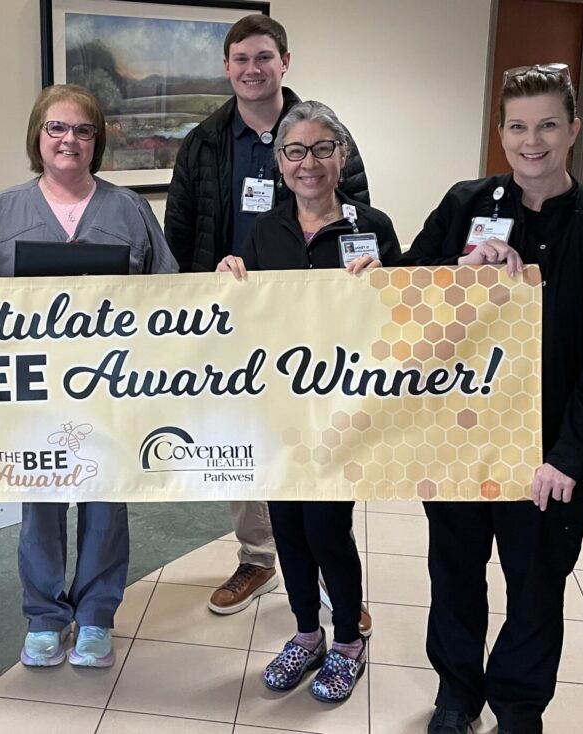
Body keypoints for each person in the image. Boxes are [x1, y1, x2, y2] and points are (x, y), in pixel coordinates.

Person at [399, 64, 583, 734]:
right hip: (462, 443)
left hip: (548, 459)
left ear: (571, 128)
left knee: (535, 591)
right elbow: (407, 294)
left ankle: (517, 708)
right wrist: (457, 274)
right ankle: (457, 696)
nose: (530, 140)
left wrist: (565, 459)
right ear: (501, 132)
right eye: (516, 126)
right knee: (454, 577)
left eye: (545, 125)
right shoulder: (465, 206)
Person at [164, 13, 373, 624]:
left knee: (324, 452)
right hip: (235, 321)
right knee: (243, 439)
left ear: (285, 62)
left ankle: (339, 586)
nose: (252, 70)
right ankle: (257, 556)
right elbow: (180, 228)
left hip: (319, 329)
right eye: (240, 60)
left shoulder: (323, 130)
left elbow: (357, 211)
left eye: (263, 58)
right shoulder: (204, 140)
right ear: (226, 68)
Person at [0, 84, 178, 668]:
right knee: (41, 503)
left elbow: (168, 290)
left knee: (107, 499)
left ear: (97, 140)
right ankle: (45, 616)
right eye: (57, 128)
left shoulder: (128, 209)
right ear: (37, 135)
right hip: (33, 389)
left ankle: (97, 617)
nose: (69, 140)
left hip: (109, 387)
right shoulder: (2, 210)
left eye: (83, 130)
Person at [217, 101, 399, 702]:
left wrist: (386, 285)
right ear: (281, 163)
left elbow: (401, 321)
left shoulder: (372, 227)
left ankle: (347, 639)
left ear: (342, 157)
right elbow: (247, 316)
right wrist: (229, 274)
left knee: (328, 529)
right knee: (288, 529)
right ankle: (306, 634)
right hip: (281, 409)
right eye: (296, 152)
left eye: (323, 149)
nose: (309, 163)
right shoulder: (264, 232)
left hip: (342, 411)